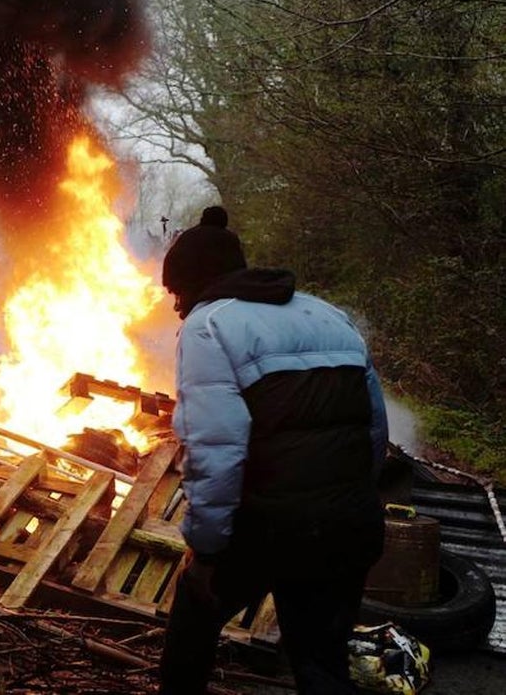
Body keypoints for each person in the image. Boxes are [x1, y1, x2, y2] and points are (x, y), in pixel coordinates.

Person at [157, 207, 388, 695]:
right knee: (323, 666)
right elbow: (375, 430)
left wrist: (208, 548)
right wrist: (352, 500)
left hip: (271, 528)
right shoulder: (328, 314)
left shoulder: (208, 327)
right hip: (350, 523)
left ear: (195, 284)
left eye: (176, 292)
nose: (176, 306)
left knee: (193, 620)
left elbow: (216, 451)